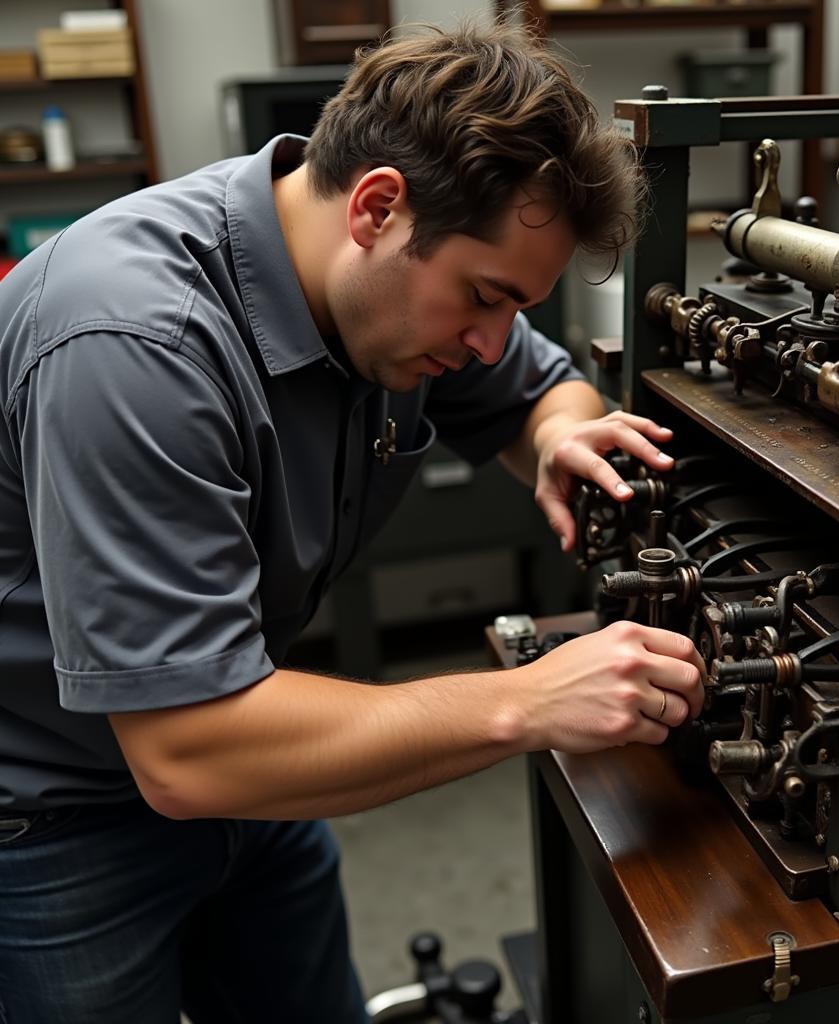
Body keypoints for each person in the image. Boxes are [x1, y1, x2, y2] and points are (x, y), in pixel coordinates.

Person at [0, 19, 705, 1024]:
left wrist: (558, 433)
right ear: (377, 205)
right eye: (483, 297)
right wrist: (531, 700)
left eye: (518, 306)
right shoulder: (134, 344)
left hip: (250, 767)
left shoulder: (384, 286)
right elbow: (186, 749)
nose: (489, 339)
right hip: (54, 820)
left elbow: (536, 390)